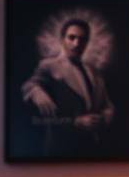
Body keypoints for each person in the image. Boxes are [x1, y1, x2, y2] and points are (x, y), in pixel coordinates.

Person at [21, 18, 114, 155]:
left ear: (87, 42)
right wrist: (36, 92)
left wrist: (104, 119)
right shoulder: (49, 65)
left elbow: (107, 105)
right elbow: (30, 84)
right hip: (60, 148)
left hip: (92, 148)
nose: (76, 44)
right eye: (71, 38)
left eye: (82, 39)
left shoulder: (94, 71)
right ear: (62, 39)